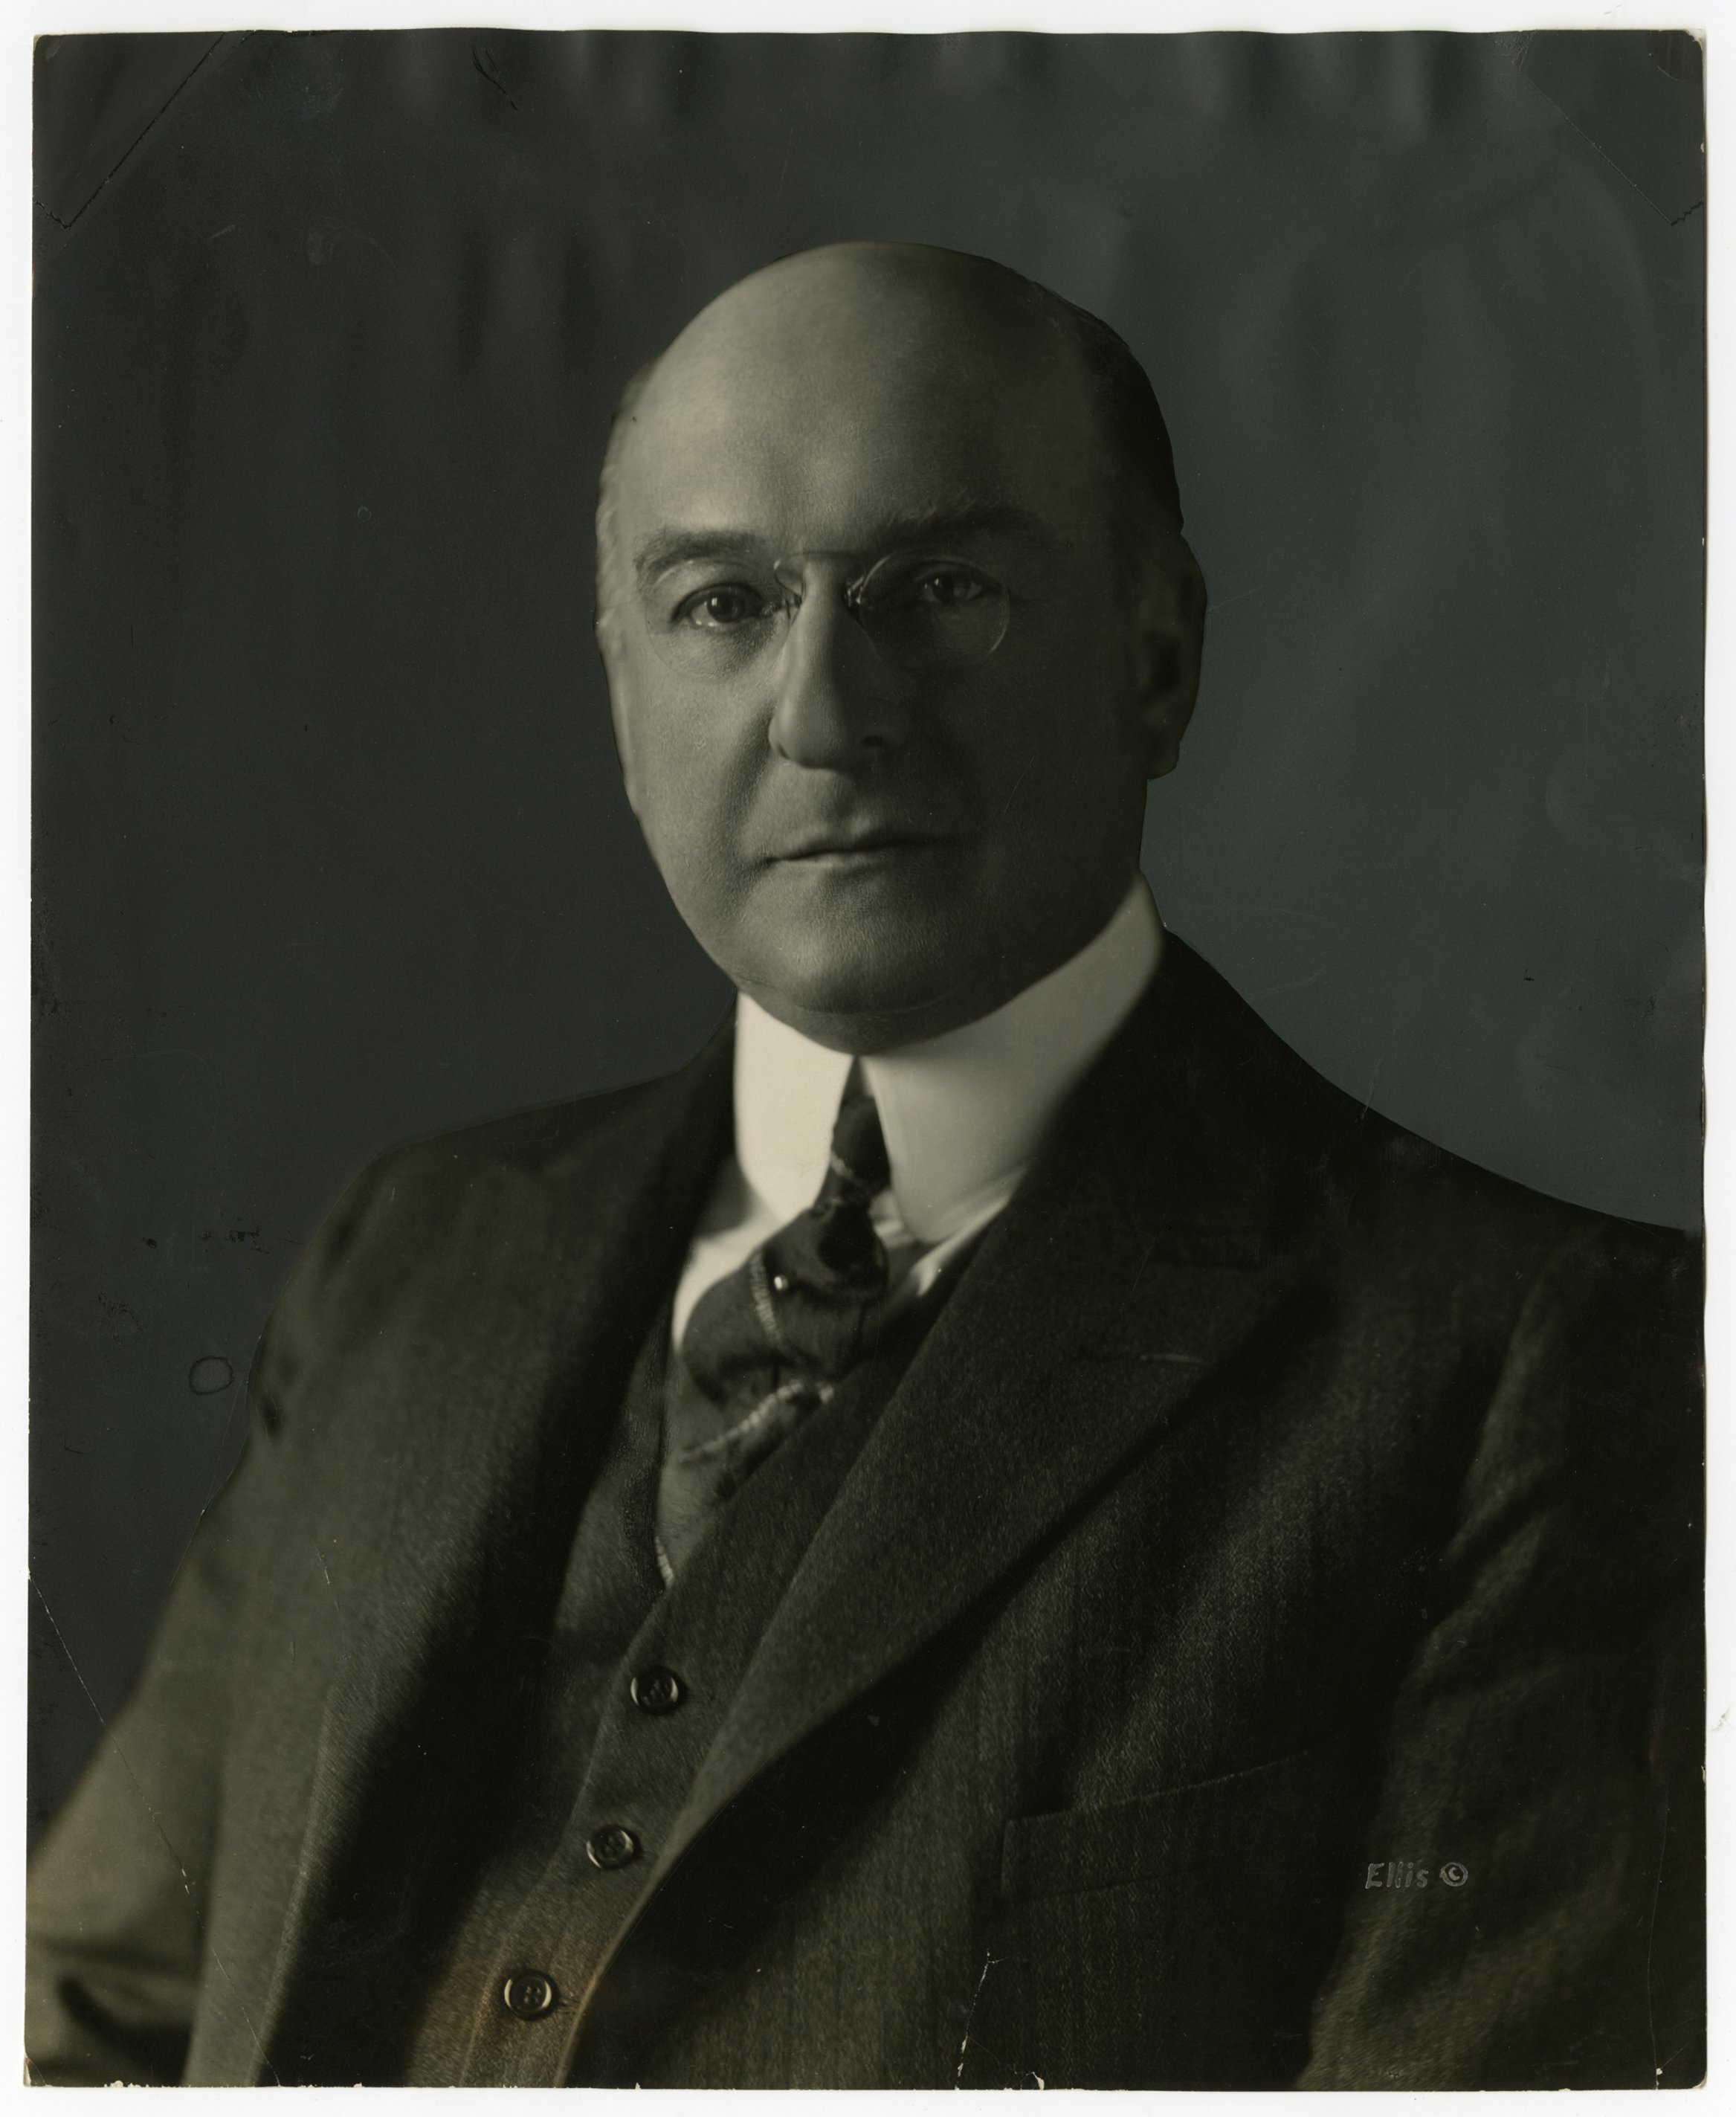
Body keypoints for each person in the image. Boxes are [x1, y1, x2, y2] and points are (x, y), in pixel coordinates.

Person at [26, 241, 1703, 2089]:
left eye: (940, 588)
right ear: (622, 694)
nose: (824, 713)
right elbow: (86, 2016)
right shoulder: (411, 1253)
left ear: (1157, 657)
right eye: (722, 604)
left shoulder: (1549, 1357)